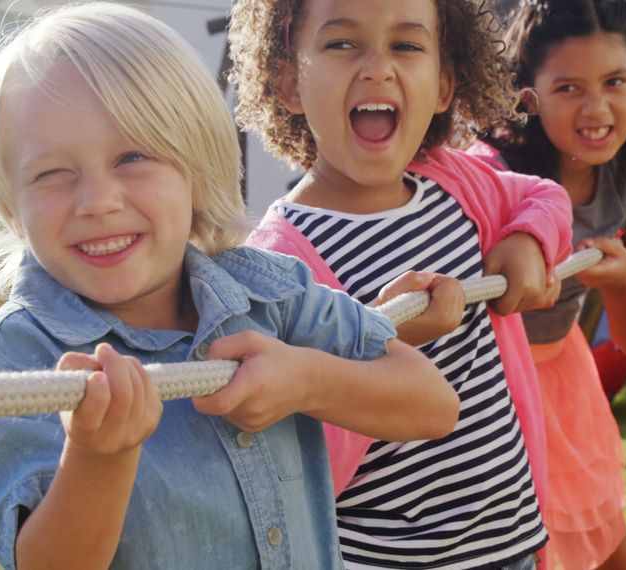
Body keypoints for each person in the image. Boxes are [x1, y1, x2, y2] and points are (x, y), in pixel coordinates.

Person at [0, 4, 460, 569]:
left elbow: (432, 405)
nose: (98, 201)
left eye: (133, 156)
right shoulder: (9, 369)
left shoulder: (269, 292)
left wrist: (304, 380)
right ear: (13, 209)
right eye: (51, 173)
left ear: (195, 170)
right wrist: (98, 456)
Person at [229, 0, 575, 567]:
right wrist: (385, 342)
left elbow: (544, 197)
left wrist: (527, 242)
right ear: (288, 83)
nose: (378, 68)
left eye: (406, 45)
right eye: (343, 44)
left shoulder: (454, 180)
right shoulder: (279, 261)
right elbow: (298, 447)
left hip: (512, 541)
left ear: (443, 85)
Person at [473, 1, 626, 567]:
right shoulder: (489, 175)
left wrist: (624, 287)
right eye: (568, 88)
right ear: (527, 97)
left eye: (614, 81)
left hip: (567, 385)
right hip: (492, 398)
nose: (597, 108)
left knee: (610, 548)